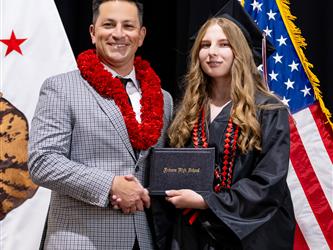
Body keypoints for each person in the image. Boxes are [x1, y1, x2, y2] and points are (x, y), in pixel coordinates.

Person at [28, 0, 173, 249]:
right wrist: (110, 185)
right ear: (93, 33)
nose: (118, 34)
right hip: (80, 240)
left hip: (144, 240)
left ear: (141, 35)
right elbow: (43, 161)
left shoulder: (164, 98)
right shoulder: (61, 88)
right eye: (109, 24)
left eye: (128, 26)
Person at [153, 15, 295, 250]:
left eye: (224, 44)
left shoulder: (268, 109)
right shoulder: (187, 111)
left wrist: (207, 202)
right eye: (205, 45)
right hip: (192, 233)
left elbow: (269, 181)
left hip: (249, 234)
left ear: (239, 51)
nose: (212, 52)